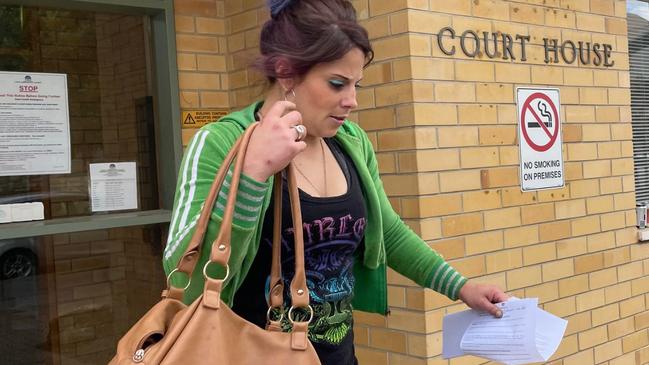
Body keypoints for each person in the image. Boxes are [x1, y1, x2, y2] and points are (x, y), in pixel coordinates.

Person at [163, 0, 508, 363]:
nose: (352, 101)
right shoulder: (221, 144)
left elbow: (387, 232)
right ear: (286, 72)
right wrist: (253, 174)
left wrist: (461, 287)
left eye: (356, 84)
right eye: (337, 84)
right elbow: (183, 275)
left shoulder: (351, 143)